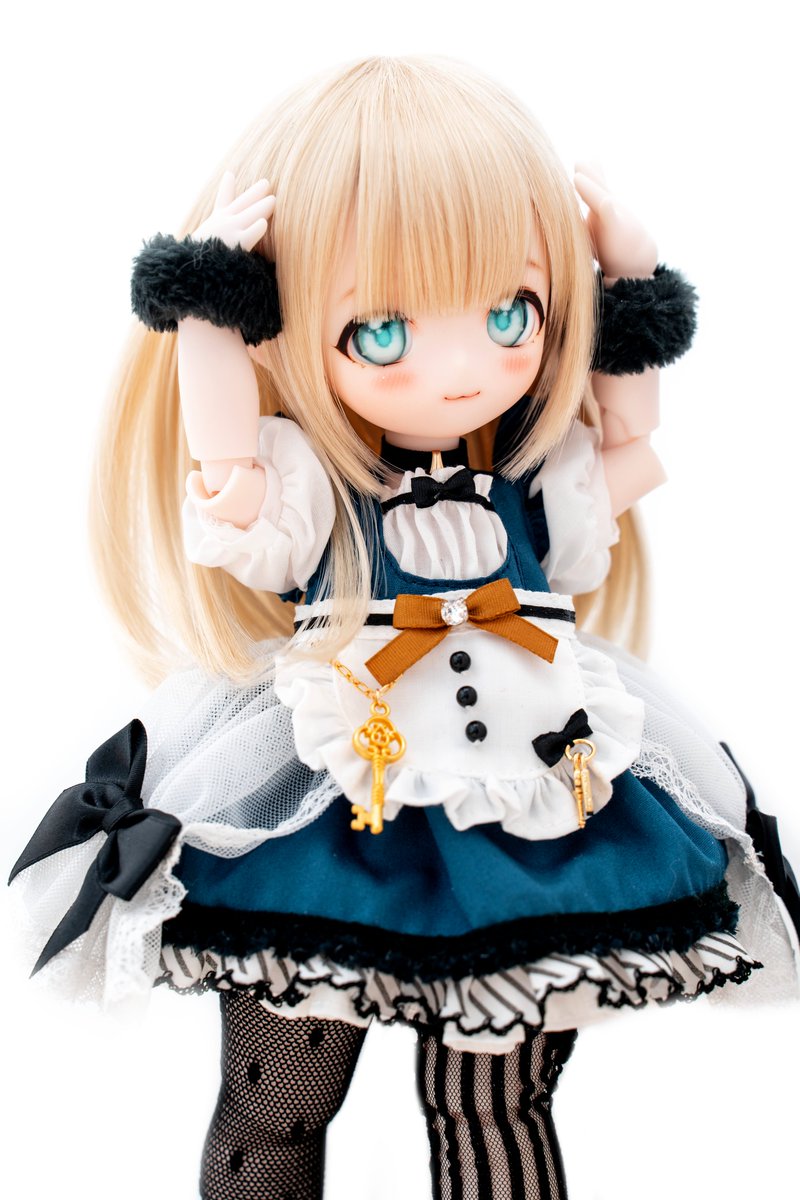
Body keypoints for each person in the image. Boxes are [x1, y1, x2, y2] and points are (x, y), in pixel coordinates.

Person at [10, 55, 797, 1200]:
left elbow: (628, 438)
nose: (460, 370)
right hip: (342, 792)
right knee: (280, 1099)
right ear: (282, 322)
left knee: (496, 1105)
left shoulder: (540, 483)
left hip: (532, 786)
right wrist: (207, 314)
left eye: (508, 314)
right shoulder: (307, 492)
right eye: (381, 331)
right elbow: (223, 462)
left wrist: (632, 280)